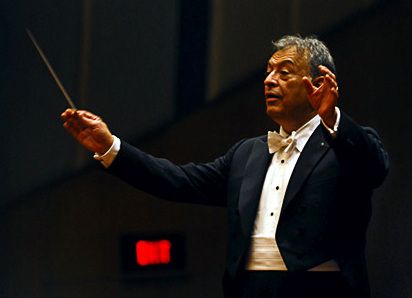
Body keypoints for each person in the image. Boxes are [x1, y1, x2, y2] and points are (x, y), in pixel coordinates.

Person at [61, 35, 389, 298]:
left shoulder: (345, 143)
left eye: (284, 72)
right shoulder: (248, 154)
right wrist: (109, 147)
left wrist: (332, 119)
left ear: (318, 83)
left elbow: (374, 169)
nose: (269, 81)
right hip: (248, 289)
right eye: (268, 72)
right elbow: (177, 181)